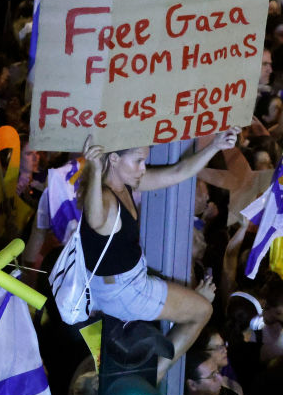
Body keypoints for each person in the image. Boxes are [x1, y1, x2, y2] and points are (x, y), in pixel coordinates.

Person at [81, 127, 239, 381]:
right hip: (124, 292)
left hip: (122, 284)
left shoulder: (126, 184)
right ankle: (157, 372)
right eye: (138, 161)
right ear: (114, 159)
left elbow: (178, 172)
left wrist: (215, 146)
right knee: (202, 310)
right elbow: (94, 218)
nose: (144, 167)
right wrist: (93, 168)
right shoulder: (104, 199)